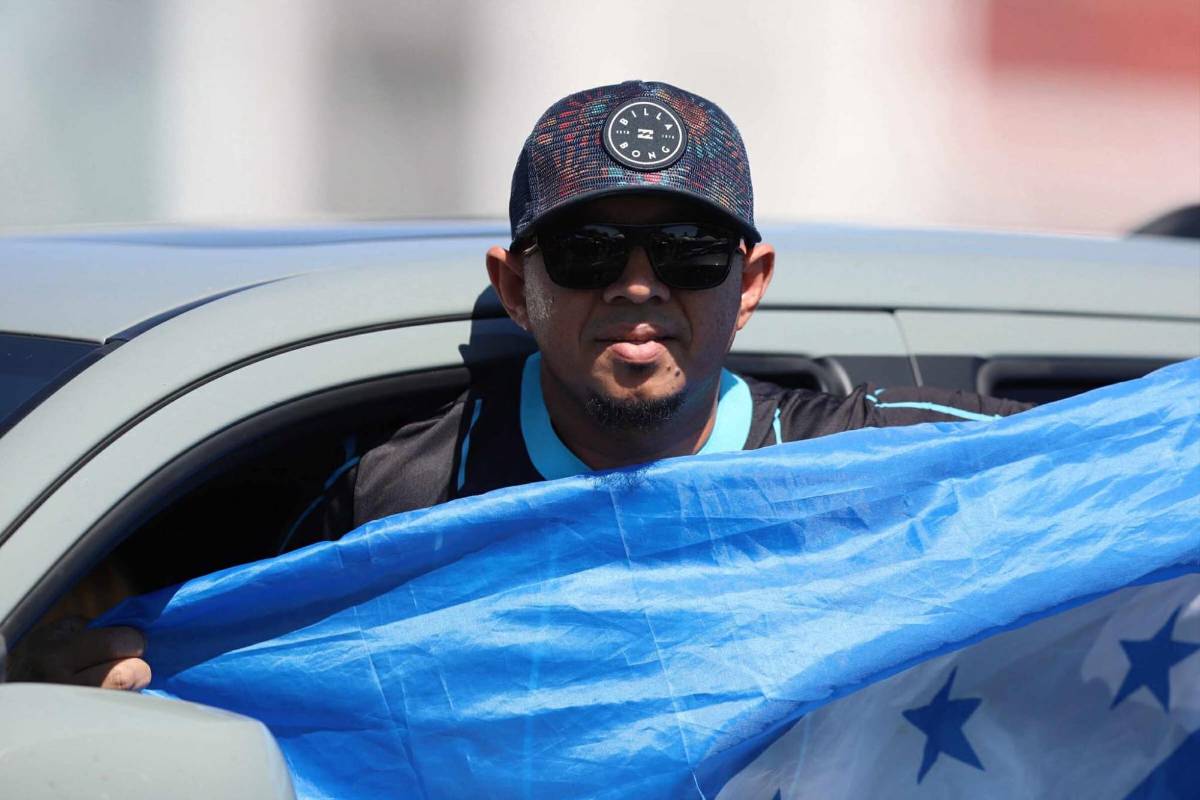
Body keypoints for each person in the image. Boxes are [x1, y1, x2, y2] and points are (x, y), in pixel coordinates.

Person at [11, 80, 1028, 691]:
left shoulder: (890, 460)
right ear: (515, 288)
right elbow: (246, 646)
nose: (639, 285)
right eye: (587, 252)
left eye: (687, 249)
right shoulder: (396, 494)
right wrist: (96, 675)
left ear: (750, 284)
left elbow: (1125, 490)